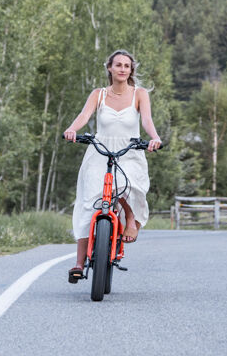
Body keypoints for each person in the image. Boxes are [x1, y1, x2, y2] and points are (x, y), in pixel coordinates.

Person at [63, 49, 162, 283]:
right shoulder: (98, 94)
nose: (122, 69)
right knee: (89, 203)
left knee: (128, 186)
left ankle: (130, 219)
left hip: (129, 151)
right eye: (118, 65)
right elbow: (84, 116)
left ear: (131, 70)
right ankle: (79, 263)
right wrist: (72, 129)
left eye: (126, 66)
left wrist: (155, 138)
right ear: (110, 68)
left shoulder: (139, 94)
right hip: (100, 151)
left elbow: (147, 120)